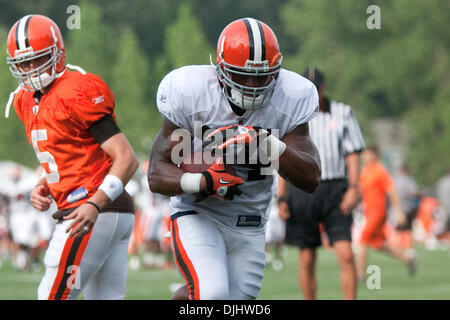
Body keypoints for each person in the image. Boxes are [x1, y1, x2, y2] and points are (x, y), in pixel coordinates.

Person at [148, 17, 321, 300]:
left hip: (251, 219)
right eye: (242, 75)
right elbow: (156, 172)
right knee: (212, 294)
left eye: (261, 76)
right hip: (198, 213)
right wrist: (203, 180)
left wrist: (266, 144)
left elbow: (311, 177)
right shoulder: (191, 92)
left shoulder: (293, 95)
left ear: (276, 72)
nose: (252, 84)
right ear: (221, 70)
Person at [5, 14, 138, 299]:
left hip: (91, 210)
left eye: (37, 59)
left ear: (57, 53)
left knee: (51, 296)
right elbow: (69, 155)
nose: (29, 68)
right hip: (105, 211)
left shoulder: (77, 89)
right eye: (23, 63)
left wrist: (95, 203)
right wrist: (46, 183)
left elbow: (126, 158)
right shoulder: (24, 99)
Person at [278, 67, 365, 300]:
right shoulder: (291, 115)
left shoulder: (342, 113)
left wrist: (354, 189)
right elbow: (282, 158)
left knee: (345, 254)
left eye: (315, 88)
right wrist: (281, 197)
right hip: (302, 188)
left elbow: (353, 153)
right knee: (307, 256)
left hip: (335, 188)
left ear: (323, 88)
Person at [355, 146, 416, 280]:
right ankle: (408, 259)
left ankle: (359, 274)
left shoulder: (379, 170)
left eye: (367, 155)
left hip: (377, 212)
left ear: (374, 155)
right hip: (368, 211)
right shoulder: (365, 171)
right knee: (379, 244)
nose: (364, 158)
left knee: (363, 239)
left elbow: (392, 191)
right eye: (363, 155)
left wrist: (399, 212)